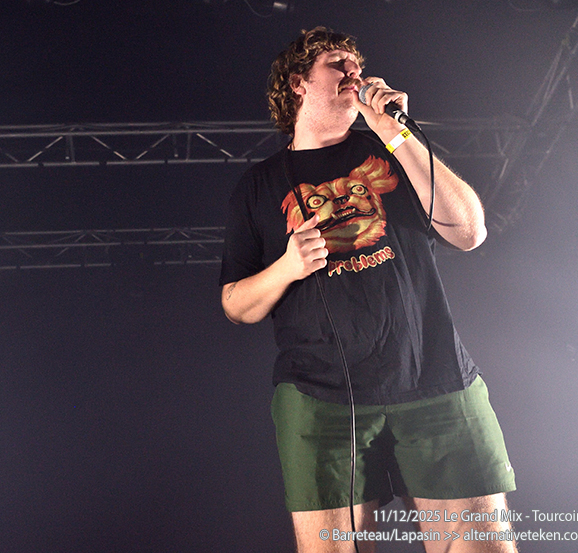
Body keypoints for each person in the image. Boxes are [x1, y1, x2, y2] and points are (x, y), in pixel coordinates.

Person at [219, 27, 517, 552]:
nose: (354, 73)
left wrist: (396, 133)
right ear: (298, 83)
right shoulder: (258, 186)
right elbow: (236, 305)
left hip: (435, 378)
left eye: (358, 65)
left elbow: (470, 232)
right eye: (338, 64)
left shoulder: (392, 151)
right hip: (321, 399)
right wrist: (286, 267)